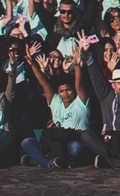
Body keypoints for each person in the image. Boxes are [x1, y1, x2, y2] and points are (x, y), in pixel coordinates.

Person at [20, 40, 90, 169]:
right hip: (56, 141)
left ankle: (42, 159)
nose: (66, 94)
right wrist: (33, 64)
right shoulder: (56, 101)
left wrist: (77, 66)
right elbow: (45, 83)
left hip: (74, 140)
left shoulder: (80, 102)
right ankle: (49, 163)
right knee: (27, 142)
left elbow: (79, 85)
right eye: (62, 91)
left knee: (75, 148)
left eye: (68, 90)